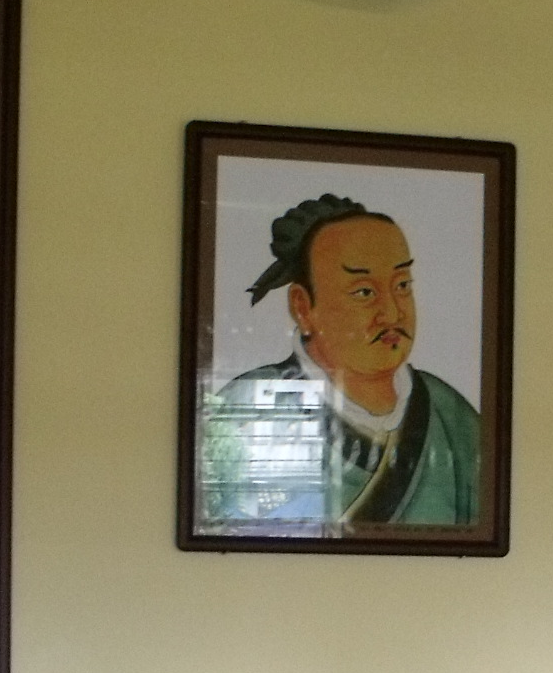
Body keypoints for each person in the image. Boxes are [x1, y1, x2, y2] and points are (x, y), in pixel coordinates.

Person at [200, 192, 481, 530]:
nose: (392, 313)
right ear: (303, 307)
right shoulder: (247, 407)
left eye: (402, 285)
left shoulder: (452, 416)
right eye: (364, 292)